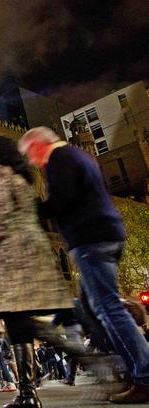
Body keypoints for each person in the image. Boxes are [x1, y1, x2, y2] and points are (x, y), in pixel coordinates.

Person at [19, 127, 149, 403]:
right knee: (99, 308)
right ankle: (132, 371)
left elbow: (63, 201)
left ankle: (144, 374)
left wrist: (33, 209)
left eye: (31, 154)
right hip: (104, 234)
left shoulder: (60, 159)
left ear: (38, 146)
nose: (34, 162)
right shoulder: (78, 155)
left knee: (108, 307)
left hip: (91, 238)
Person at [0, 136, 80, 407]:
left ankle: (87, 358)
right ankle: (26, 393)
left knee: (19, 325)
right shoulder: (21, 179)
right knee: (19, 327)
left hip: (9, 262)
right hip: (30, 260)